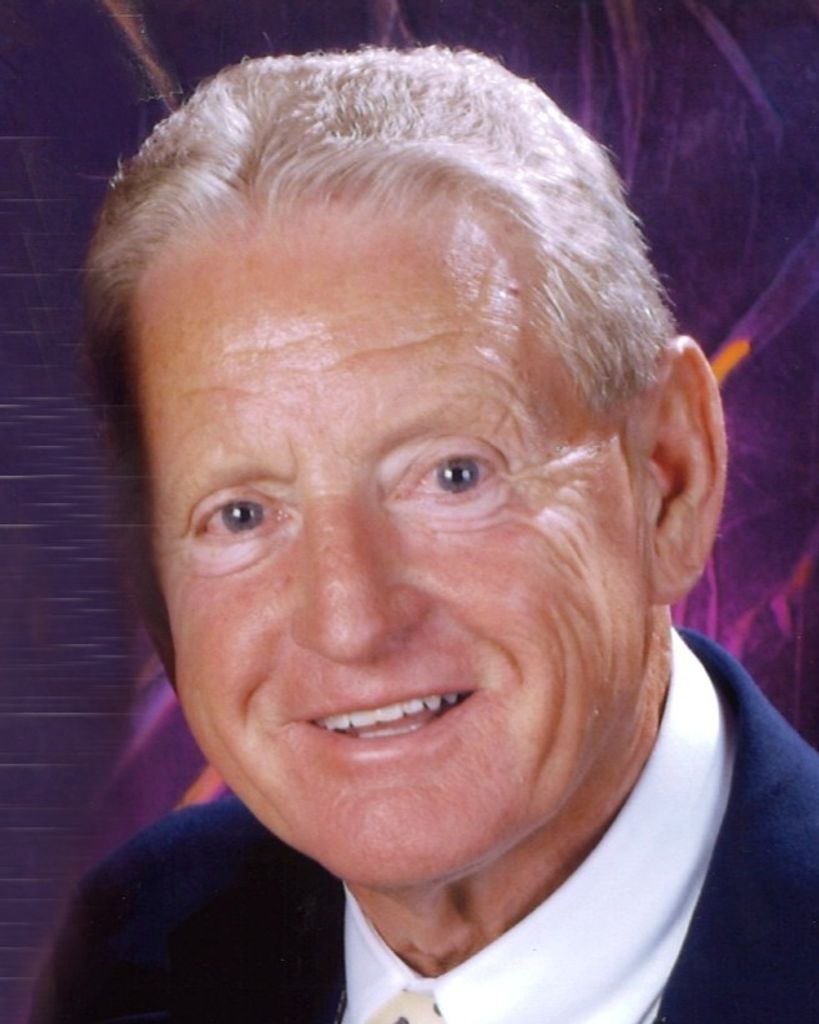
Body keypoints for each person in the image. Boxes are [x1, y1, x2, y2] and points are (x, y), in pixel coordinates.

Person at [31, 46, 819, 1024]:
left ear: (668, 476)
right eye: (242, 514)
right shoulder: (117, 959)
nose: (352, 622)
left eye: (453, 475)